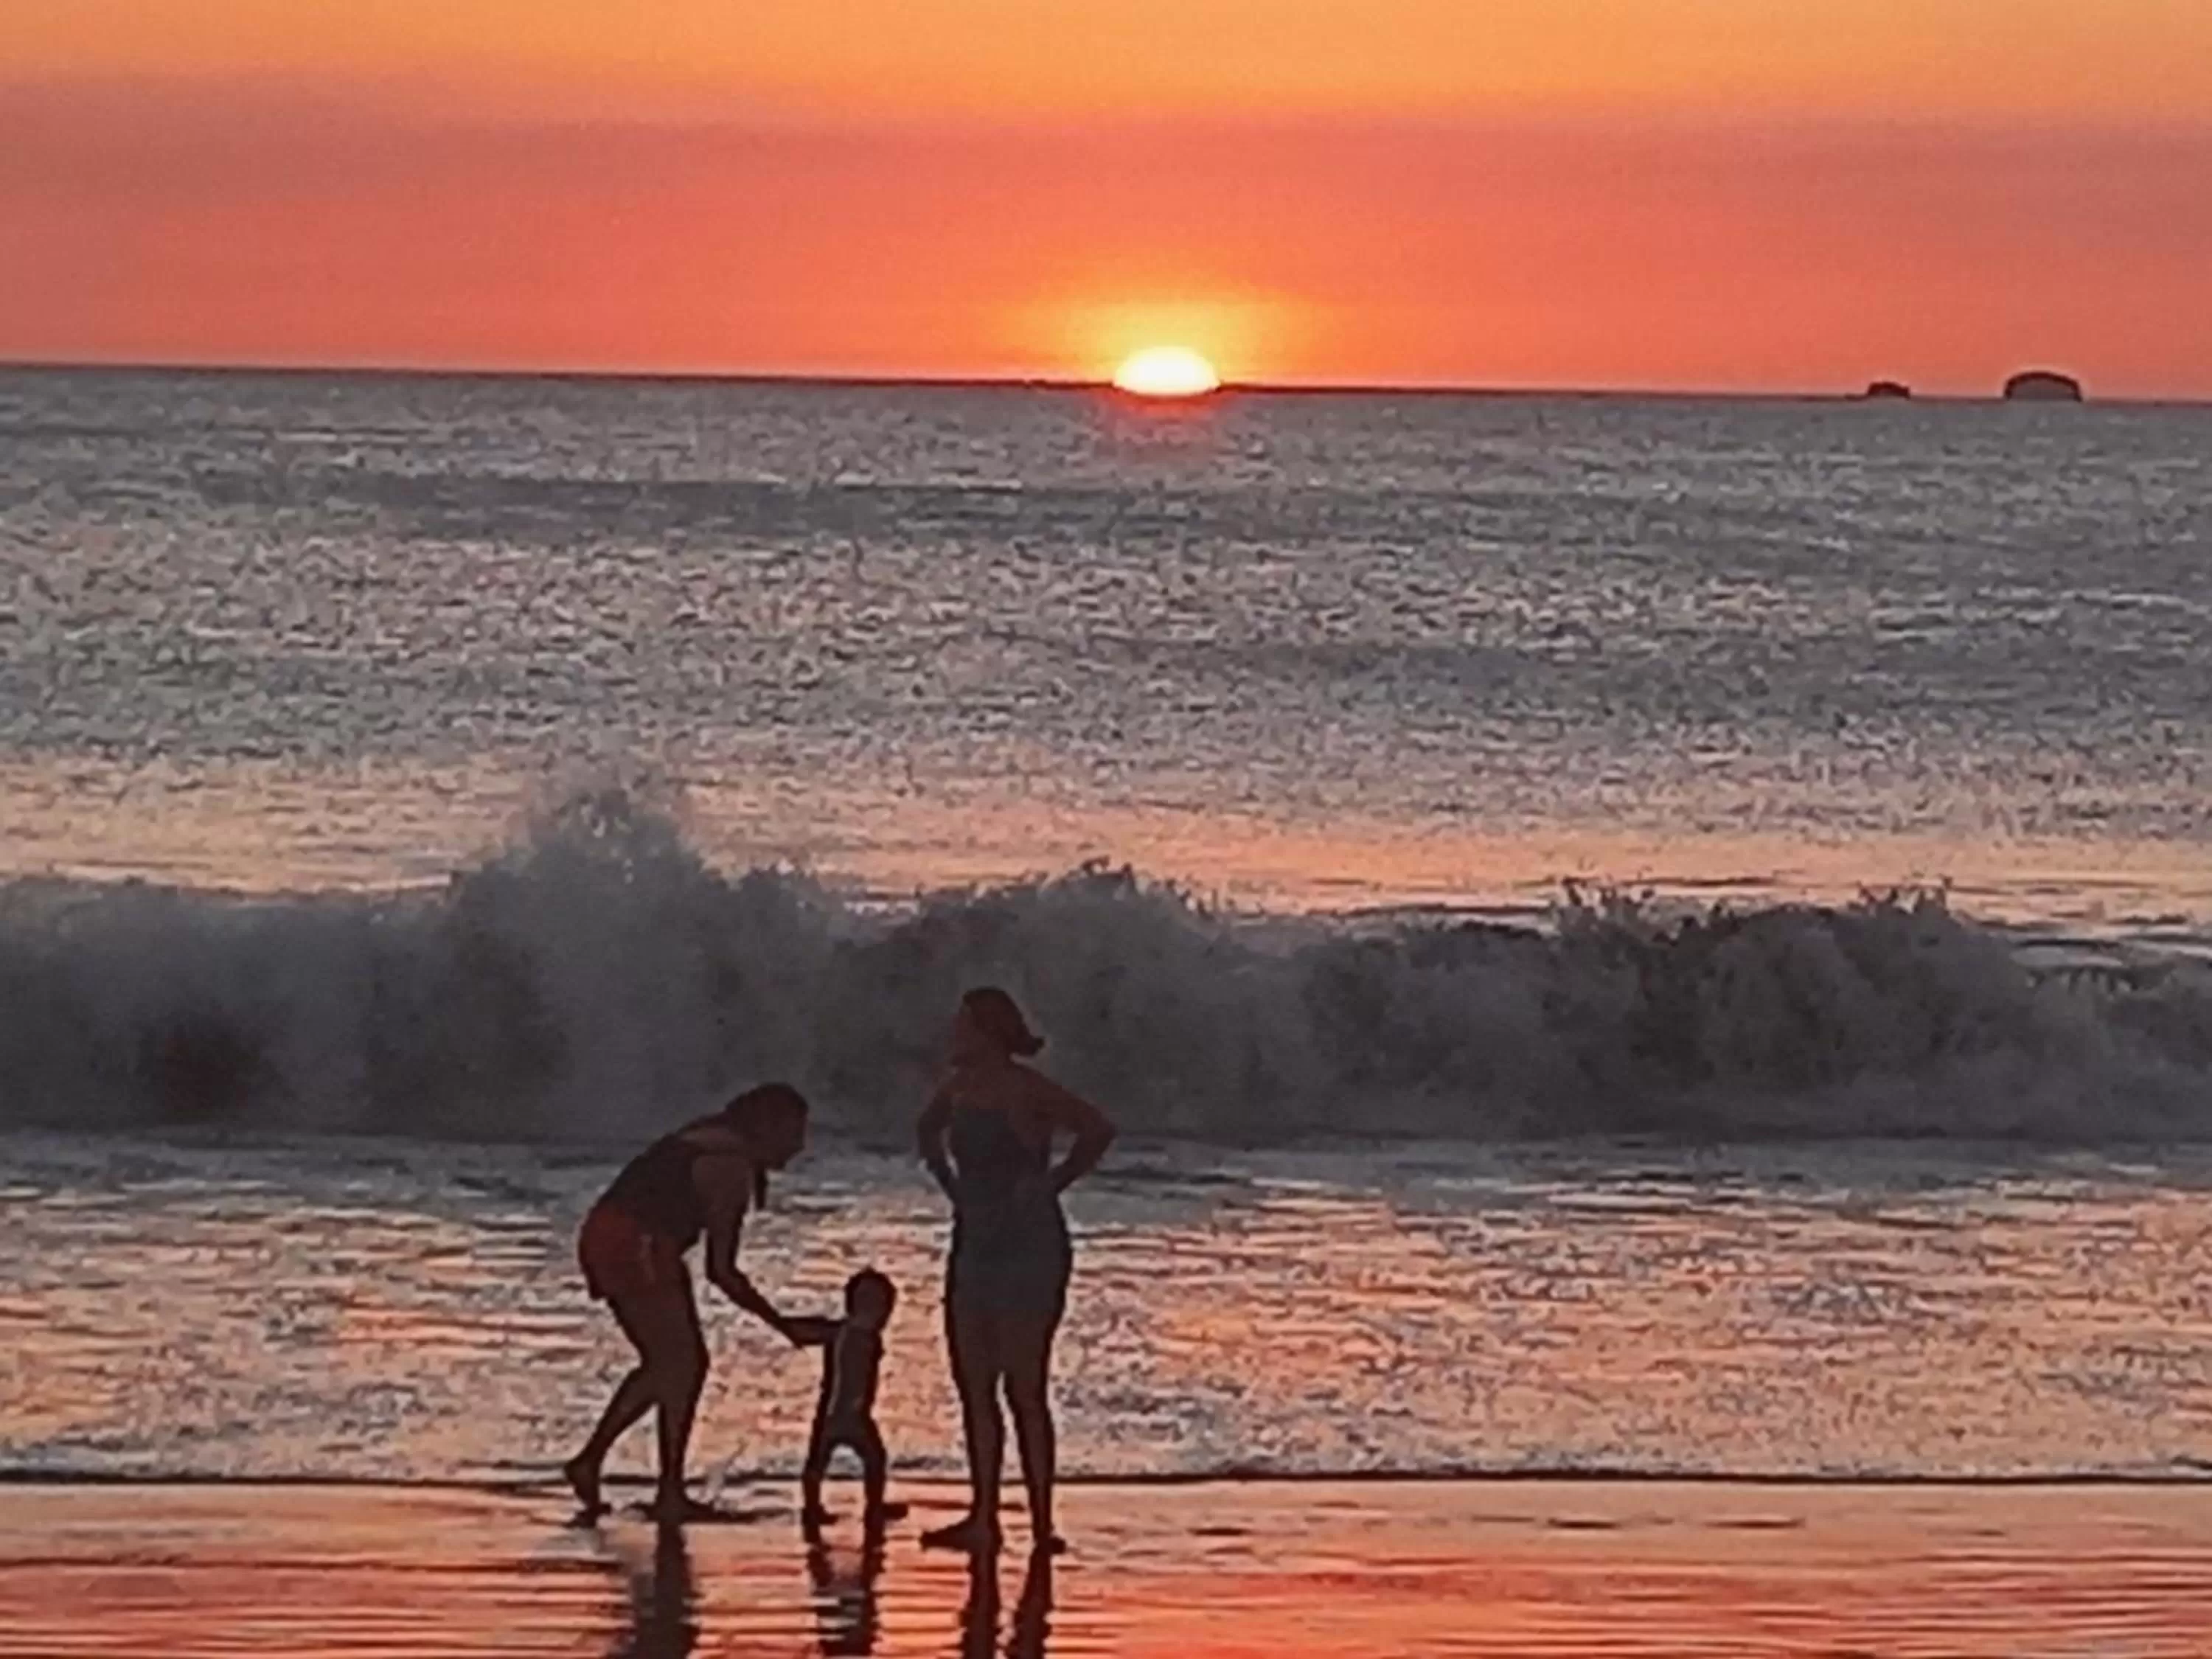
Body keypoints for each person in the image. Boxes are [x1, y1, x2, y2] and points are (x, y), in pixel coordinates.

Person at [917, 987, 1116, 1556]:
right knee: (974, 1385)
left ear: (988, 1030)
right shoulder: (955, 1089)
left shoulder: (1027, 1089)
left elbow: (1098, 1128)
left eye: (963, 1024)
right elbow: (925, 1132)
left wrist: (1054, 1182)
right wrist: (949, 1185)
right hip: (974, 1241)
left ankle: (1041, 1521)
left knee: (1024, 1387)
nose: (954, 1033)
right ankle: (983, 1516)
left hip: (1030, 1245)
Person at [565, 1082, 810, 1524]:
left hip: (608, 1233)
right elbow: (722, 1271)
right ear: (766, 1125)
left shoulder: (713, 1138)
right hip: (633, 1242)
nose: (800, 1146)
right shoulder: (729, 1167)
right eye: (794, 1132)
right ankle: (668, 1492)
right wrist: (785, 1325)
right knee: (681, 1364)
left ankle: (593, 1462)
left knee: (669, 1363)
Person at [790, 1267, 906, 1534]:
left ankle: (813, 1507)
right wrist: (851, 1404)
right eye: (879, 1307)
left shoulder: (846, 1332)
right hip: (848, 1411)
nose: (884, 1315)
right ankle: (871, 1507)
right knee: (873, 1457)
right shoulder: (855, 1336)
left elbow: (813, 1331)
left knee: (819, 1460)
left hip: (832, 1412)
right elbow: (850, 1372)